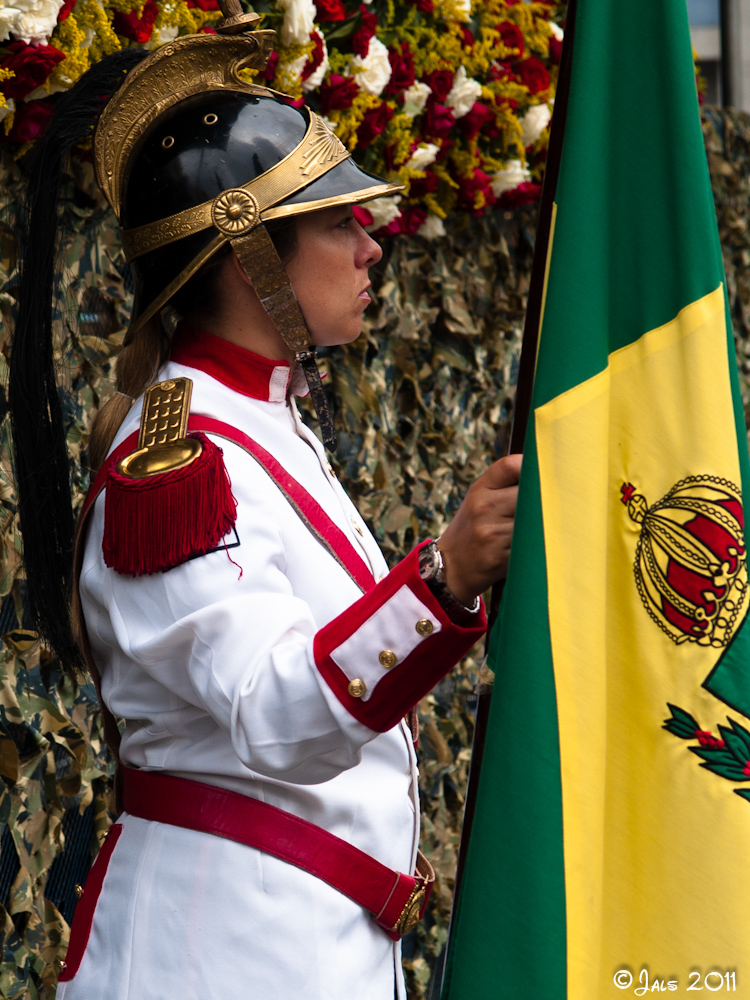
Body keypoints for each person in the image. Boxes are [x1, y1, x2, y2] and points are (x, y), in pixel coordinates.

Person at [9, 15, 521, 1000]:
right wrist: (443, 576)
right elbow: (277, 713)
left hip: (279, 938)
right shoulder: (180, 458)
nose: (372, 246)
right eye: (338, 220)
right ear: (247, 258)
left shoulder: (260, 418)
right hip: (221, 953)